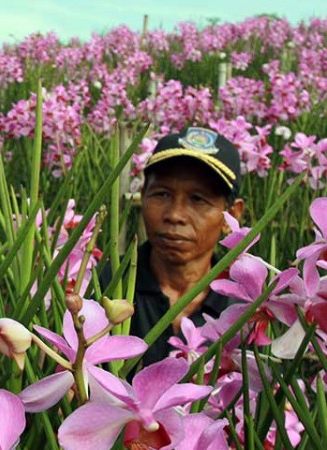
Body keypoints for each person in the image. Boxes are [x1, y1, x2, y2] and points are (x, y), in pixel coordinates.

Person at [100, 127, 245, 367]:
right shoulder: (105, 284)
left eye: (198, 199)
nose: (175, 215)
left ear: (232, 215)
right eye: (162, 194)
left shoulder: (244, 304)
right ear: (143, 196)